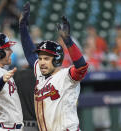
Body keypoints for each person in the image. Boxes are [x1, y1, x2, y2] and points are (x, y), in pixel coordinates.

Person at [19, 2, 88, 131]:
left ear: (56, 60)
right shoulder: (40, 73)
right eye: (40, 58)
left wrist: (68, 41)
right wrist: (22, 27)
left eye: (46, 58)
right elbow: (29, 53)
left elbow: (81, 67)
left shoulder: (66, 76)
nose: (41, 62)